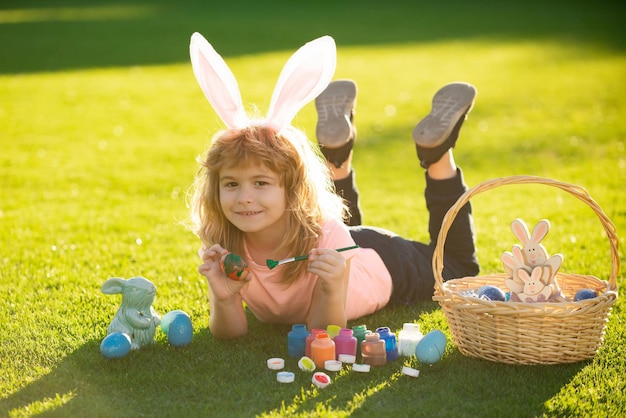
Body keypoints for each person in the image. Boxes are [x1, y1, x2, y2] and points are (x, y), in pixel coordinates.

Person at [188, 32, 478, 339]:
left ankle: (437, 155)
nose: (245, 198)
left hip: (388, 263)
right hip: (341, 240)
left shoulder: (326, 233)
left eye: (261, 182)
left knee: (459, 269)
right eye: (231, 184)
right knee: (337, 236)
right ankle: (336, 156)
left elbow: (322, 332)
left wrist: (333, 288)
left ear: (293, 188)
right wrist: (223, 296)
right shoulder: (222, 241)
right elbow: (229, 336)